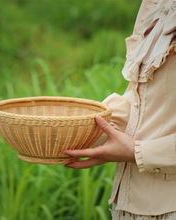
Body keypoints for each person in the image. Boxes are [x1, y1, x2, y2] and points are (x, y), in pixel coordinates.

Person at [62, 0, 176, 219]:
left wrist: (137, 152)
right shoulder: (154, 3)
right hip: (126, 206)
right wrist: (83, 127)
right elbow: (141, 100)